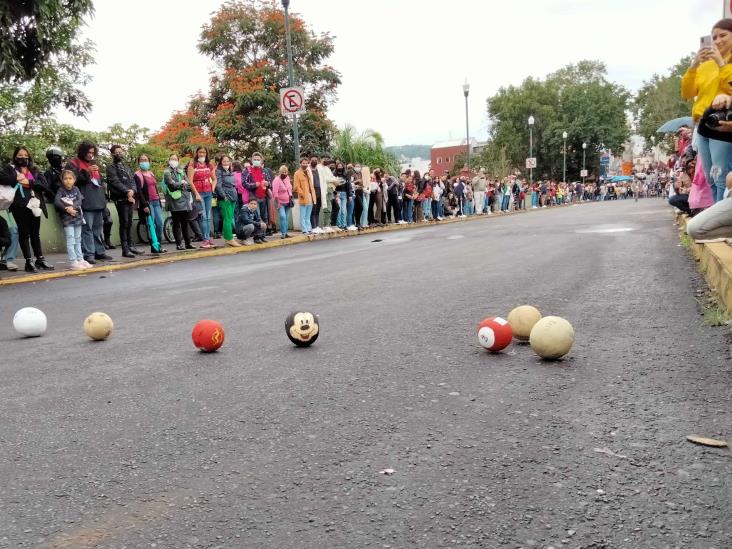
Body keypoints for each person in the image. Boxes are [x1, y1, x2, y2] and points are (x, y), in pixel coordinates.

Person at [682, 19, 732, 202]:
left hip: (722, 125)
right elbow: (687, 92)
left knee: (721, 178)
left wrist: (721, 63)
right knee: (711, 178)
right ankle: (716, 218)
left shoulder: (723, 64)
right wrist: (694, 65)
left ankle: (722, 223)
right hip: (702, 124)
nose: (717, 40)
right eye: (714, 37)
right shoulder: (705, 65)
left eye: (723, 35)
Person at [0, 146, 54, 272]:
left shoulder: (34, 169)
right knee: (24, 233)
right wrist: (16, 179)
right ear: (15, 156)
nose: (23, 157)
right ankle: (28, 261)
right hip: (19, 205)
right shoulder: (10, 168)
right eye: (20, 155)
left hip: (35, 204)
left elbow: (44, 185)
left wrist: (28, 182)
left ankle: (40, 259)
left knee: (35, 233)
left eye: (25, 155)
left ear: (29, 156)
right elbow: (2, 178)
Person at [66, 141, 111, 264]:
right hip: (85, 201)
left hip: (97, 200)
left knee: (98, 228)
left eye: (92, 152)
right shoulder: (73, 163)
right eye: (88, 152)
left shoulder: (94, 163)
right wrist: (86, 171)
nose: (90, 155)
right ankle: (89, 253)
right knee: (87, 229)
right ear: (82, 151)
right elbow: (71, 181)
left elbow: (99, 183)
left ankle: (99, 252)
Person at [106, 145, 141, 258]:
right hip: (120, 198)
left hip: (130, 198)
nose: (119, 154)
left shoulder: (126, 167)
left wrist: (132, 190)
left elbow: (132, 181)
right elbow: (115, 181)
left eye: (121, 152)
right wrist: (127, 191)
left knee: (129, 222)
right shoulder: (110, 167)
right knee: (124, 222)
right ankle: (125, 249)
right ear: (112, 154)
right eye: (117, 152)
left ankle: (131, 246)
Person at [54, 169, 89, 270]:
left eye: (70, 178)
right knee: (71, 240)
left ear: (74, 180)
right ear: (62, 180)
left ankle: (80, 259)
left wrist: (72, 207)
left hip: (77, 218)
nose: (68, 180)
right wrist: (66, 209)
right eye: (65, 178)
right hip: (67, 219)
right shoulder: (61, 190)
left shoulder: (76, 189)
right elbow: (57, 202)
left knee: (78, 239)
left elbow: (80, 200)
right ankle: (73, 261)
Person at [134, 154, 166, 254]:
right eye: (142, 160)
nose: (144, 162)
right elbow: (139, 191)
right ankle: (154, 246)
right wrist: (144, 205)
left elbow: (155, 188)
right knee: (151, 225)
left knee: (160, 224)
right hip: (148, 202)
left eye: (146, 160)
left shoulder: (151, 173)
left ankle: (158, 244)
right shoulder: (137, 175)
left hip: (156, 201)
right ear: (139, 162)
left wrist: (160, 201)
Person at [163, 154, 195, 250]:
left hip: (184, 200)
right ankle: (179, 244)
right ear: (169, 160)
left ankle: (188, 243)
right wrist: (182, 184)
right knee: (176, 223)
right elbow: (172, 185)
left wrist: (182, 184)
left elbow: (189, 185)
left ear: (178, 160)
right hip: (174, 200)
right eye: (172, 159)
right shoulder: (167, 172)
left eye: (175, 159)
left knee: (185, 223)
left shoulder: (181, 171)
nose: (173, 161)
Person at [187, 146, 216, 248]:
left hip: (208, 192)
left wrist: (212, 188)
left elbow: (214, 179)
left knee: (208, 217)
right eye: (200, 152)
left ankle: (208, 237)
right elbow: (190, 181)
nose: (202, 154)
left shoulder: (209, 164)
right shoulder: (192, 164)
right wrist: (196, 194)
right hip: (199, 193)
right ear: (197, 153)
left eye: (204, 152)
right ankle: (205, 239)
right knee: (203, 216)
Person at [215, 155, 241, 247]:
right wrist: (224, 196)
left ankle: (228, 237)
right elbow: (218, 186)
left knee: (230, 218)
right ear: (221, 162)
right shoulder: (218, 171)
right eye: (224, 161)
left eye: (227, 161)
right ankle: (229, 239)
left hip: (233, 197)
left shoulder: (230, 171)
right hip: (225, 198)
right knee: (227, 219)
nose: (226, 163)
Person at [244, 151, 272, 233]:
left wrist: (267, 184)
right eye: (255, 159)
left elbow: (270, 182)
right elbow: (244, 183)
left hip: (263, 197)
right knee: (257, 216)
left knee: (264, 216)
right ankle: (257, 236)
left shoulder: (264, 171)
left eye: (258, 159)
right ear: (252, 160)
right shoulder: (247, 171)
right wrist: (254, 185)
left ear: (261, 161)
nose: (256, 161)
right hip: (254, 197)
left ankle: (262, 234)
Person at [294, 156, 317, 235]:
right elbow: (296, 186)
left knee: (308, 215)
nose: (305, 164)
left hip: (310, 196)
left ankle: (309, 228)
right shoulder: (297, 173)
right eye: (303, 163)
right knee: (303, 215)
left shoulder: (308, 172)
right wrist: (301, 194)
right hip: (303, 196)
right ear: (300, 164)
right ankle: (304, 229)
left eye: (306, 163)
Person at [272, 164, 293, 239]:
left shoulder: (287, 178)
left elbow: (289, 188)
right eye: (283, 172)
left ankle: (286, 232)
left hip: (288, 201)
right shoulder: (276, 180)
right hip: (280, 202)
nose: (284, 173)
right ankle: (283, 233)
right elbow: (275, 192)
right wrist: (277, 203)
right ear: (280, 172)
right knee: (283, 217)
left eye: (286, 172)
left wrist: (290, 196)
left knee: (286, 218)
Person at [308, 156, 325, 234]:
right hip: (312, 192)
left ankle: (317, 226)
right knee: (313, 210)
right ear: (310, 161)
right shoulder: (308, 170)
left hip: (319, 192)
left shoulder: (320, 169)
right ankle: (313, 226)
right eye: (312, 160)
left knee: (317, 210)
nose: (314, 161)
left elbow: (323, 180)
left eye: (315, 160)